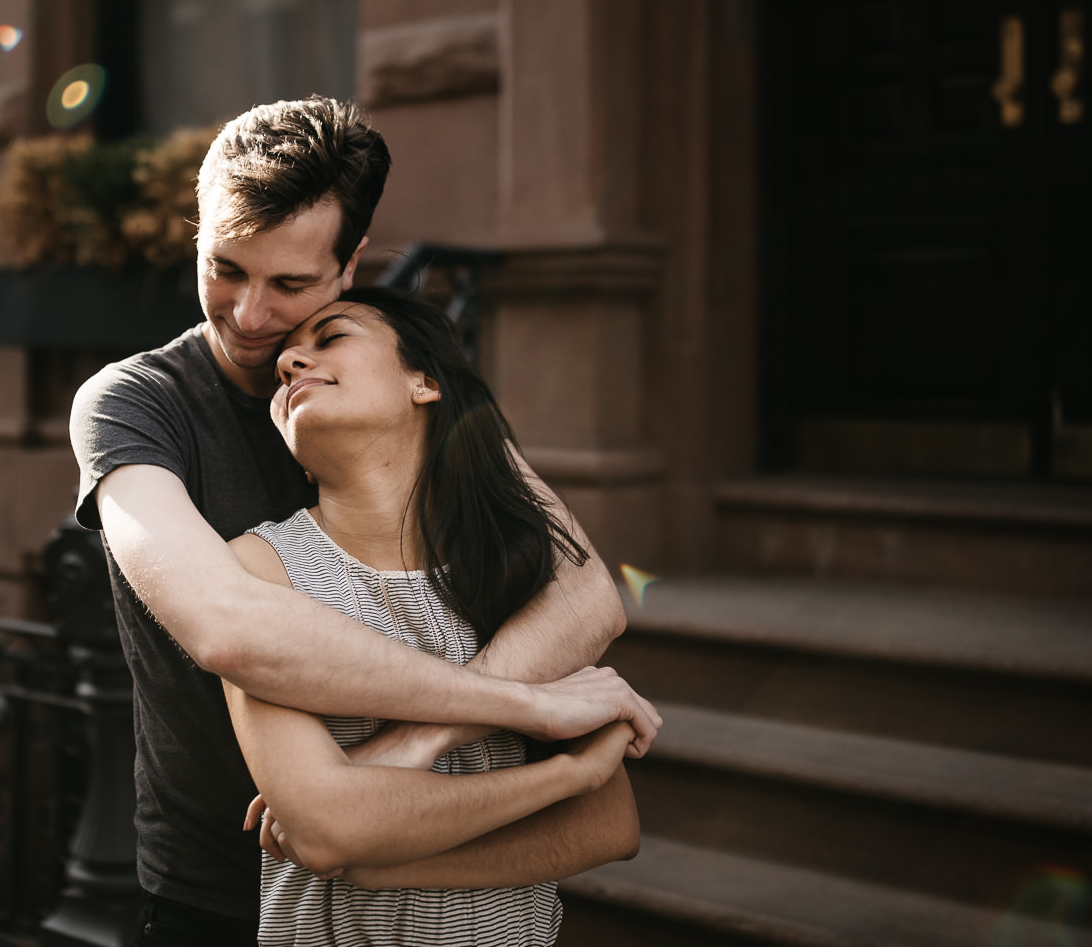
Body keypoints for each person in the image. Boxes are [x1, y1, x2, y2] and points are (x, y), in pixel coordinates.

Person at [70, 98, 658, 946]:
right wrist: (526, 706)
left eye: (291, 285)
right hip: (222, 887)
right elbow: (231, 628)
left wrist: (407, 753)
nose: (248, 316)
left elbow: (585, 594)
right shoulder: (134, 404)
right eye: (225, 268)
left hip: (457, 876)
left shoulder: (393, 373)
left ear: (348, 267)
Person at [226, 286, 643, 945]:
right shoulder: (258, 569)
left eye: (330, 338)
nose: (289, 364)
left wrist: (398, 864)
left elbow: (608, 826)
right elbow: (330, 830)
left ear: (424, 383)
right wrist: (568, 774)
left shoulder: (512, 568)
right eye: (282, 365)